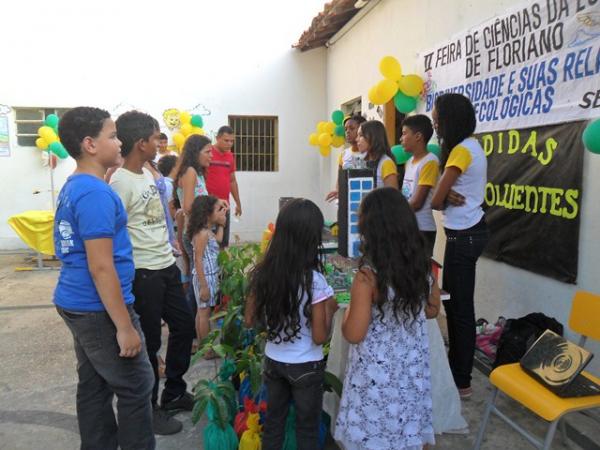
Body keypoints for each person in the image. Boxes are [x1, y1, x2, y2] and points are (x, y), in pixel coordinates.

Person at [53, 106, 155, 449]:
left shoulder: (78, 185)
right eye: (112, 135)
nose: (119, 141)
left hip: (78, 301)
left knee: (95, 384)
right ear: (90, 145)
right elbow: (101, 266)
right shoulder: (95, 193)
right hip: (97, 308)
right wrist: (124, 327)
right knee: (137, 384)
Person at [110, 111, 195, 435]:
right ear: (140, 142)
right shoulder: (118, 182)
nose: (161, 144)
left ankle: (174, 391)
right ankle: (151, 406)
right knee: (150, 343)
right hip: (143, 272)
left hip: (165, 265)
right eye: (156, 138)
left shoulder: (148, 173)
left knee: (184, 326)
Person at [334, 187, 438, 450]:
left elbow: (354, 333)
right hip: (410, 369)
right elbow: (432, 309)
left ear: (372, 229)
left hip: (376, 376)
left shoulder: (368, 276)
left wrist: (347, 308)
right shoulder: (422, 266)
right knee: (406, 426)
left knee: (374, 433)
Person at [245, 199, 338, 450]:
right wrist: (329, 311)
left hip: (273, 362)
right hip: (307, 366)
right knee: (307, 429)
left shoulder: (263, 272)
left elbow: (249, 319)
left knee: (274, 423)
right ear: (311, 240)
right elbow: (319, 337)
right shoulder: (314, 281)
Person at [430, 93, 489, 400]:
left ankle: (462, 381)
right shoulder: (465, 149)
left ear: (450, 120)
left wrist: (444, 193)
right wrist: (445, 192)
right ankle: (456, 370)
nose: (435, 123)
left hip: (465, 236)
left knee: (461, 309)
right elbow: (442, 197)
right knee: (452, 302)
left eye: (438, 118)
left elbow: (437, 200)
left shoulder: (462, 152)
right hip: (462, 233)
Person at [174, 134, 212, 315]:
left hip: (197, 230)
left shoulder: (196, 172)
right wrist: (211, 210)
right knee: (198, 279)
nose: (211, 156)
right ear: (196, 152)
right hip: (194, 232)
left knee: (196, 278)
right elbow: (188, 206)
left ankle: (195, 322)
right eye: (207, 152)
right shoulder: (189, 172)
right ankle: (193, 323)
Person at [187, 195, 227, 345]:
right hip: (205, 277)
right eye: (218, 210)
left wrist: (222, 224)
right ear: (207, 213)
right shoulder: (202, 234)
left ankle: (202, 346)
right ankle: (207, 349)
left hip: (209, 276)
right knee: (204, 314)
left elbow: (218, 240)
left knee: (201, 312)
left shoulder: (207, 231)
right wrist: (203, 286)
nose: (221, 212)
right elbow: (197, 259)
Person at [400, 114, 439, 257]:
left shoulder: (430, 162)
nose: (401, 139)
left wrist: (393, 213)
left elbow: (417, 203)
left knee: (418, 276)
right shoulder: (409, 162)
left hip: (422, 230)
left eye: (404, 134)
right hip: (408, 227)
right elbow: (406, 194)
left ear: (418, 136)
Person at [205, 125, 242, 247]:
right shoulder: (207, 153)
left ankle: (221, 266)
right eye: (226, 140)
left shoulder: (230, 156)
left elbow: (232, 181)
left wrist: (238, 203)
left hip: (224, 206)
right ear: (217, 138)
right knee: (208, 241)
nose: (230, 144)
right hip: (208, 204)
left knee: (223, 242)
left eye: (232, 141)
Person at [325, 114, 367, 202]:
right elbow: (340, 181)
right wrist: (337, 192)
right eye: (346, 129)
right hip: (346, 203)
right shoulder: (344, 154)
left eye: (351, 128)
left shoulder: (370, 154)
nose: (347, 132)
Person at [357, 120, 399, 189]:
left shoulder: (386, 163)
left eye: (361, 135)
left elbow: (392, 196)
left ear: (373, 137)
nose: (357, 139)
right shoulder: (363, 161)